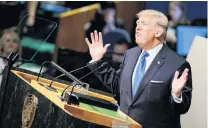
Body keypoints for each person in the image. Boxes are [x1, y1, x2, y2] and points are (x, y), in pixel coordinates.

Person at [85, 9, 192, 128]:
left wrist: (176, 94)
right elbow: (118, 86)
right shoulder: (130, 54)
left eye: (144, 24)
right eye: (137, 24)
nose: (138, 28)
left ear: (158, 32)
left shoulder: (177, 64)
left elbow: (183, 107)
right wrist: (97, 60)